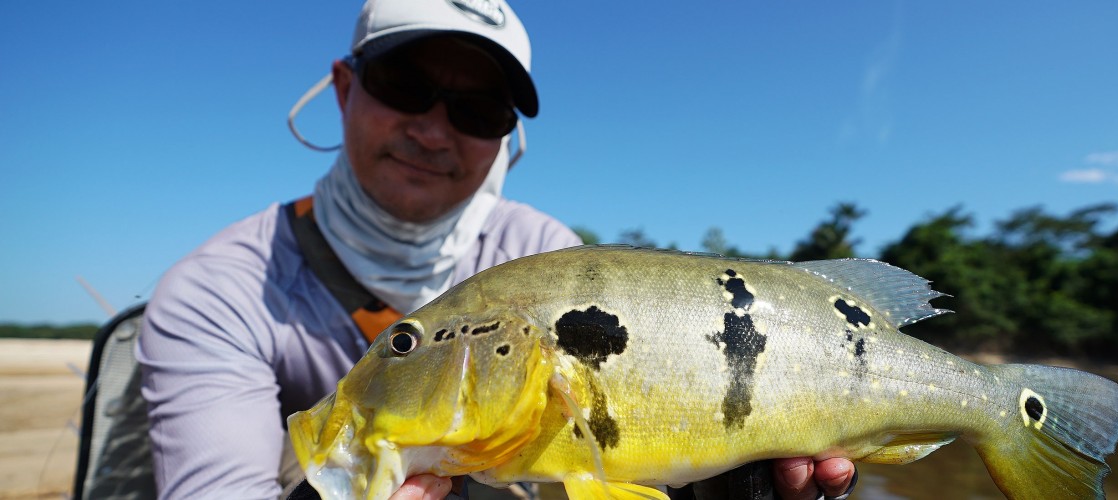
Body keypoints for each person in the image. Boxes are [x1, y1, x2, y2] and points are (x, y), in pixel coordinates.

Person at [137, 0, 856, 498]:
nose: (433, 128)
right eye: (404, 85)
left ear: (507, 137)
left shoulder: (541, 252)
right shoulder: (214, 292)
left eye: (478, 110)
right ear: (343, 87)